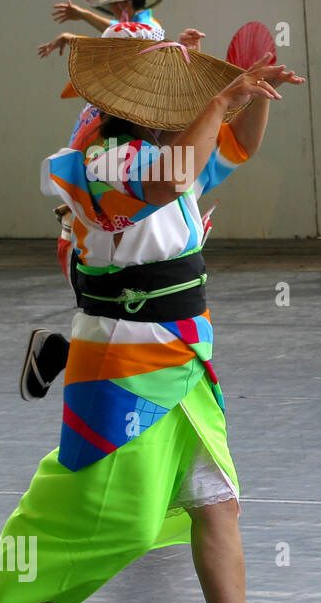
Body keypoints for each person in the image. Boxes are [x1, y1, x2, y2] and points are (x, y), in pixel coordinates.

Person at [0, 33, 318, 603]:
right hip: (122, 356)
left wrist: (251, 96)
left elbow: (238, 147)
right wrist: (219, 100)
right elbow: (172, 181)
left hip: (184, 351)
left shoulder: (168, 144)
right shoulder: (101, 157)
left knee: (215, 496)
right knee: (122, 517)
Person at [22, 21, 207, 402]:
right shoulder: (105, 129)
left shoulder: (125, 113)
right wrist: (212, 101)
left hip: (102, 232)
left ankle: (59, 352)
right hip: (90, 239)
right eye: (156, 61)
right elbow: (133, 176)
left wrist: (190, 68)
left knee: (118, 334)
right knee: (117, 332)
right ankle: (59, 353)